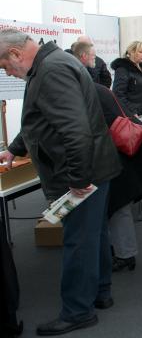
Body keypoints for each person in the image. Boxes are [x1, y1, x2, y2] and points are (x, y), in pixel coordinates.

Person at [0, 29, 121, 335]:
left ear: (14, 54)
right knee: (93, 235)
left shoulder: (51, 70)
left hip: (81, 173)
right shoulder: (51, 62)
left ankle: (78, 311)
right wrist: (15, 149)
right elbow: (40, 119)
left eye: (5, 67)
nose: (8, 74)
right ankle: (100, 293)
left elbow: (75, 131)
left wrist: (77, 179)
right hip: (91, 168)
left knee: (79, 241)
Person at [73, 44, 142, 274]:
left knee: (116, 205)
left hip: (115, 157)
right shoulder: (99, 90)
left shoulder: (85, 95)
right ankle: (124, 253)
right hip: (126, 154)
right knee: (119, 205)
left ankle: (123, 255)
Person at [111, 41, 142, 117]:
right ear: (131, 52)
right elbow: (118, 94)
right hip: (132, 115)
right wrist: (131, 111)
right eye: (140, 52)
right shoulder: (123, 69)